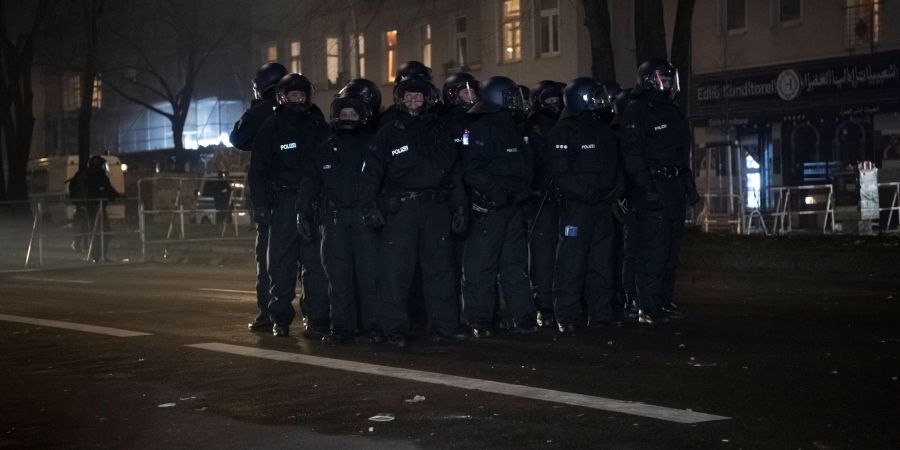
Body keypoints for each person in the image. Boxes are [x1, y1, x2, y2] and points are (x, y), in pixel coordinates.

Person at [361, 76, 468, 348]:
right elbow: (371, 173)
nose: (413, 99)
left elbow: (454, 172)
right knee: (396, 272)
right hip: (401, 210)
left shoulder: (441, 129)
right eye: (408, 95)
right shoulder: (388, 132)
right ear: (400, 98)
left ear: (427, 98)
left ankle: (445, 326)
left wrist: (459, 207)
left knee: (441, 270)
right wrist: (370, 205)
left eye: (418, 96)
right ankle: (394, 329)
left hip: (436, 209)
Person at [248, 73, 329, 337]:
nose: (298, 99)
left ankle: (316, 316)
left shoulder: (316, 126)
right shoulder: (271, 128)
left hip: (312, 204)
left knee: (315, 264)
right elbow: (257, 170)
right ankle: (279, 317)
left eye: (301, 95)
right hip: (282, 203)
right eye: (293, 95)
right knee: (281, 264)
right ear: (283, 97)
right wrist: (259, 205)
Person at [619, 58, 699, 325]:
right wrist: (647, 188)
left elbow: (680, 154)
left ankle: (664, 301)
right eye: (664, 78)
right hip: (652, 186)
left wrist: (689, 188)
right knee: (653, 249)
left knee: (671, 250)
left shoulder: (671, 110)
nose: (669, 83)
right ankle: (648, 305)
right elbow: (632, 154)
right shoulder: (638, 109)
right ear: (650, 80)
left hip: (673, 186)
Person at [298, 93, 383, 344]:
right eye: (343, 114)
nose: (348, 118)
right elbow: (310, 182)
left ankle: (373, 327)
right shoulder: (324, 148)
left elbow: (382, 179)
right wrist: (302, 211)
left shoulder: (372, 145)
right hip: (333, 219)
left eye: (352, 114)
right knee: (337, 275)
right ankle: (342, 327)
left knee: (369, 274)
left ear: (361, 117)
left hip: (363, 218)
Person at [462, 76, 537, 338]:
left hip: (512, 208)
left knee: (514, 266)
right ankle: (480, 321)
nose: (517, 102)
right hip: (490, 208)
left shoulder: (513, 127)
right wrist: (497, 193)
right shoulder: (477, 128)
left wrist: (519, 195)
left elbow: (524, 170)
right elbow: (472, 169)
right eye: (511, 97)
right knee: (481, 267)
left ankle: (523, 318)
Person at [547, 78, 623, 332]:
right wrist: (586, 193)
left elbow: (615, 166)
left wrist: (613, 191)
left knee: (602, 261)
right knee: (571, 261)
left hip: (602, 205)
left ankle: (601, 312)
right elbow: (561, 172)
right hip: (577, 206)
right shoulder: (563, 130)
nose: (601, 101)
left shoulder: (603, 129)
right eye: (595, 96)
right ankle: (566, 315)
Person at [230, 62, 286, 332]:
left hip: (271, 195)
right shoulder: (304, 108)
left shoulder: (261, 111)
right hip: (299, 193)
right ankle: (316, 313)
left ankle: (269, 312)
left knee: (267, 257)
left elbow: (238, 138)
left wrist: (253, 110)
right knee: (308, 259)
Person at [520, 80, 565, 328]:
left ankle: (563, 303)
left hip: (564, 196)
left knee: (566, 254)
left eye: (558, 99)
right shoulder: (530, 128)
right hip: (540, 199)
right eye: (549, 100)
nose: (555, 104)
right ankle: (544, 305)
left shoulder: (565, 125)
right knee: (543, 257)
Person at [82, 155, 122, 263]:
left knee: (103, 231)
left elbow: (108, 189)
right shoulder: (94, 177)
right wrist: (114, 196)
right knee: (99, 232)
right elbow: (105, 190)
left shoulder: (94, 176)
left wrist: (117, 196)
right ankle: (97, 255)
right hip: (95, 207)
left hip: (97, 207)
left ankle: (100, 255)